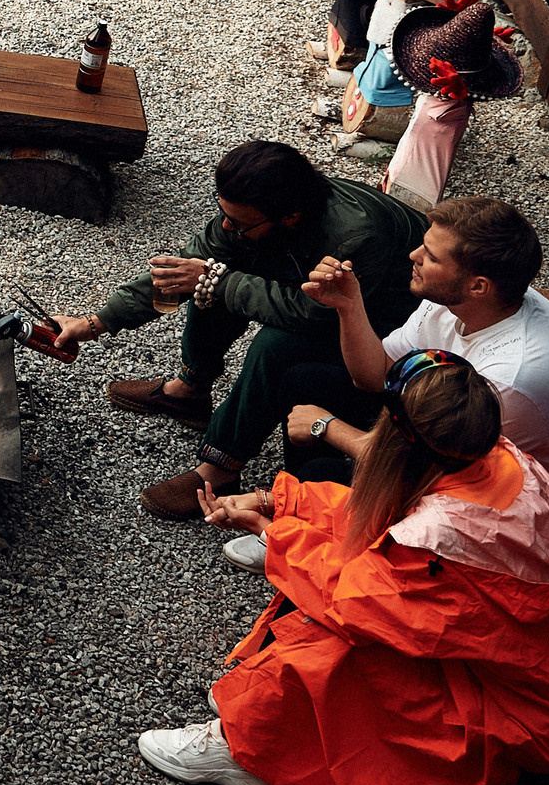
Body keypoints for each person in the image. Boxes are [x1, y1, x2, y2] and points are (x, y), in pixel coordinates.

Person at [140, 353, 549, 785]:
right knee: (338, 610)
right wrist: (278, 502)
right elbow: (380, 521)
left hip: (523, 713)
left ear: (395, 436)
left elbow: (349, 600)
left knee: (332, 643)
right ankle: (256, 729)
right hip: (540, 675)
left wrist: (270, 534)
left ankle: (247, 748)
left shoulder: (436, 541)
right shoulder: (494, 457)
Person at [45, 140, 424, 521]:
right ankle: (189, 390)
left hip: (387, 323)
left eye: (238, 222)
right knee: (209, 279)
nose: (227, 225)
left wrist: (220, 281)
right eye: (223, 214)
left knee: (274, 343)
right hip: (323, 297)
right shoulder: (263, 211)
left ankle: (221, 468)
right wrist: (95, 323)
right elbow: (188, 268)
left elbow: (314, 315)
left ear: (289, 217)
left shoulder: (357, 236)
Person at [259, 195, 549, 567]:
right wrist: (348, 305)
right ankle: (300, 524)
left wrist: (326, 427)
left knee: (321, 472)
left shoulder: (510, 379)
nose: (413, 255)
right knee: (305, 382)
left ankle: (311, 540)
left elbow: (421, 472)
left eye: (432, 257)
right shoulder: (463, 299)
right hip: (458, 452)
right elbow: (377, 376)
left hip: (533, 535)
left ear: (477, 286)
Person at [310, 0, 462, 149]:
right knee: (371, 70)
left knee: (382, 82)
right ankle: (352, 109)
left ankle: (374, 130)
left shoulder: (423, 26)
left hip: (392, 86)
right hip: (376, 49)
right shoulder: (388, 4)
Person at [379, 0, 520, 213]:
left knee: (416, 185)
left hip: (429, 156)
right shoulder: (451, 104)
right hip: (425, 151)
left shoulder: (447, 104)